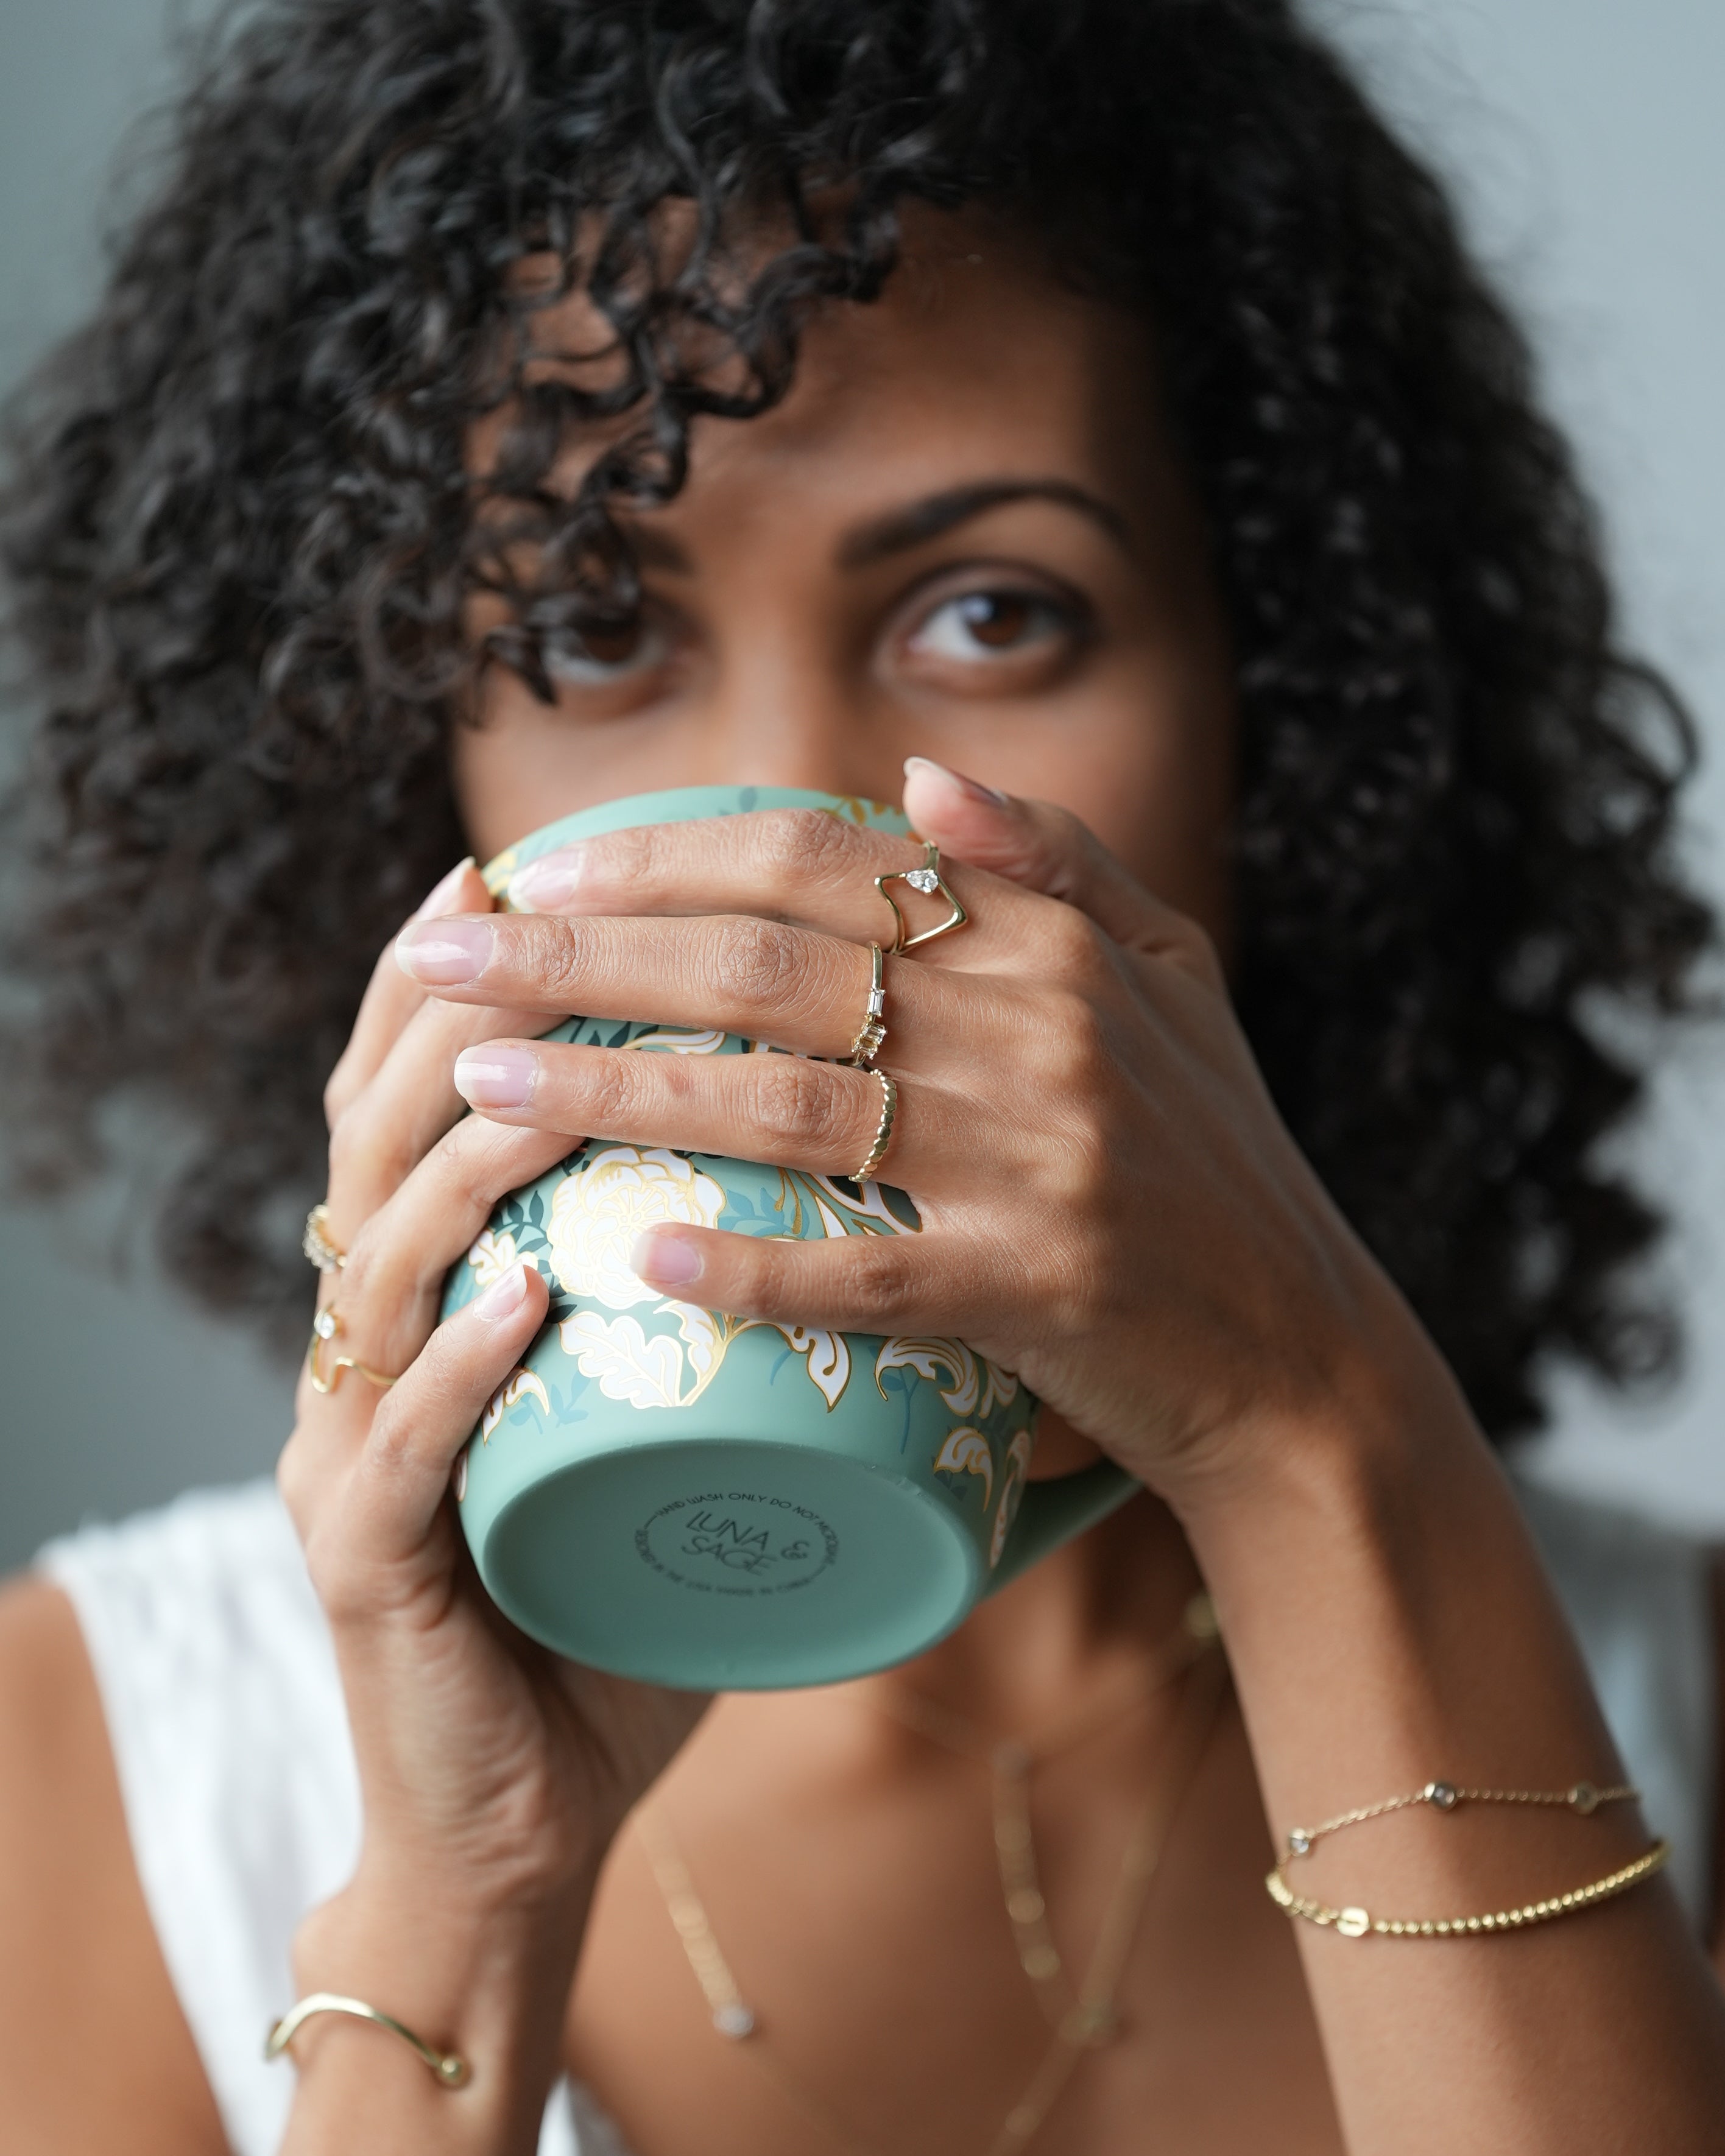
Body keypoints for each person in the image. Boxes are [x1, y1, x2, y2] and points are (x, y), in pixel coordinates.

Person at [1, 1, 1721, 2151]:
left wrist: (1322, 1450)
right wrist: (460, 1906)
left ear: (1283, 718)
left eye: (996, 614)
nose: (794, 823)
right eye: (591, 630)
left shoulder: (1693, 1705)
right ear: (406, 774)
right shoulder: (99, 1757)